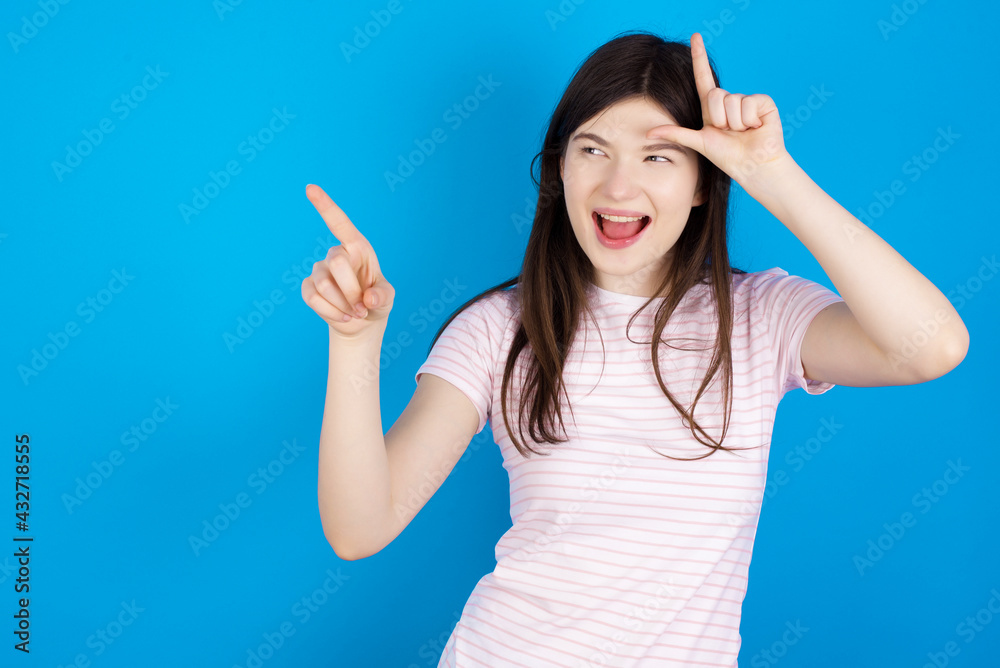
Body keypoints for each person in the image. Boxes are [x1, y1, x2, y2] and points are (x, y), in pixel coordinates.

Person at [301, 30, 969, 668]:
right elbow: (360, 528)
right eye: (592, 150)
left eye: (658, 157)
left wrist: (772, 172)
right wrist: (355, 343)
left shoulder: (761, 316)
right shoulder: (499, 330)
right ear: (560, 169)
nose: (618, 188)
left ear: (706, 180)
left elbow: (930, 346)